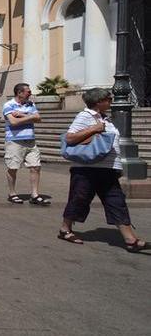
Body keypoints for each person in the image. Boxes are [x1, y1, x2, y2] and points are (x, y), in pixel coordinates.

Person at [58, 88, 149, 251]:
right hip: (87, 170)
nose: (111, 101)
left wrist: (117, 166)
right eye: (109, 99)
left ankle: (130, 240)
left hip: (107, 169)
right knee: (79, 200)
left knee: (117, 202)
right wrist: (94, 128)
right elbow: (70, 138)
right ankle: (65, 229)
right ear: (99, 101)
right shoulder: (85, 116)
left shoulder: (104, 118)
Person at [3, 83, 49, 205]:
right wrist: (30, 117)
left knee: (36, 166)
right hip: (14, 141)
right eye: (28, 91)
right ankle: (12, 193)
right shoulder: (9, 105)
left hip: (30, 141)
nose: (30, 93)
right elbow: (13, 122)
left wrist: (22, 115)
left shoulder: (31, 104)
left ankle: (34, 195)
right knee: (13, 167)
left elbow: (39, 119)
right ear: (19, 93)